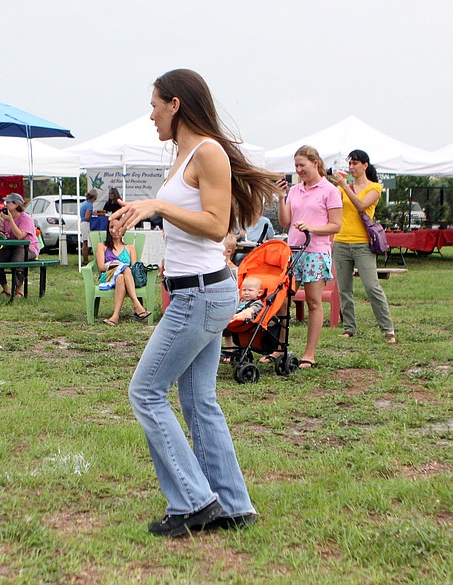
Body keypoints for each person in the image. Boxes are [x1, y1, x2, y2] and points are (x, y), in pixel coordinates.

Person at [111, 69, 279, 537]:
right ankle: (232, 505)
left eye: (154, 105)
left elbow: (215, 222)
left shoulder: (208, 152)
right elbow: (188, 219)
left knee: (145, 393)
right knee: (198, 400)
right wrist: (140, 210)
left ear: (176, 104)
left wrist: (158, 206)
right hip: (194, 291)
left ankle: (193, 500)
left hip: (202, 294)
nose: (150, 115)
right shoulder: (183, 153)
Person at [262, 145, 342, 368]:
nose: (299, 170)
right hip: (294, 251)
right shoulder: (296, 190)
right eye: (296, 166)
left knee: (313, 301)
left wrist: (312, 228)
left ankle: (309, 353)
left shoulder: (329, 190)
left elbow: (336, 225)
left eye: (302, 165)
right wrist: (280, 198)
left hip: (315, 252)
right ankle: (279, 347)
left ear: (315, 163)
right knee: (281, 299)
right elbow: (285, 221)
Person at [331, 150, 397, 343]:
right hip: (341, 241)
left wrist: (344, 186)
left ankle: (388, 329)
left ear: (365, 165)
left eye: (356, 164)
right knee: (344, 288)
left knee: (372, 286)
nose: (352, 167)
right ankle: (349, 327)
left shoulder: (374, 187)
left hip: (362, 243)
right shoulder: (344, 187)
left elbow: (361, 205)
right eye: (350, 164)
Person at [95, 216, 151, 325]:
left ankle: (115, 316)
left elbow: (134, 268)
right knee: (124, 268)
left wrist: (119, 267)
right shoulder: (102, 246)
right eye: (111, 227)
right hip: (108, 276)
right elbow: (101, 267)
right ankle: (137, 305)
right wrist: (118, 266)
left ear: (124, 229)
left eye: (118, 227)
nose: (114, 230)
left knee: (122, 274)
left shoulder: (130, 248)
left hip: (125, 279)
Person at [0, 193, 40, 298]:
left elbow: (20, 236)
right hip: (12, 246)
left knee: (17, 259)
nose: (6, 205)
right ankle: (5, 289)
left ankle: (19, 290)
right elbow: (5, 234)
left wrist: (11, 221)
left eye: (8, 202)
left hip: (28, 248)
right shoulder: (8, 217)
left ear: (16, 204)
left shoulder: (25, 218)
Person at [80, 189, 98, 263]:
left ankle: (85, 260)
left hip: (82, 223)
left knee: (85, 242)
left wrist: (92, 213)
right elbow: (87, 217)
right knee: (86, 243)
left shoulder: (85, 203)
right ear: (94, 197)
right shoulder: (89, 205)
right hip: (86, 224)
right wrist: (94, 217)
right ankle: (86, 260)